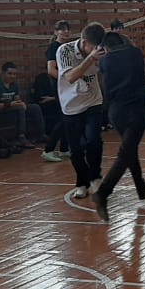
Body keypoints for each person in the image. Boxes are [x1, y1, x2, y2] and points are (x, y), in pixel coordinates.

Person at [91, 30, 145, 221]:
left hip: (116, 112)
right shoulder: (135, 53)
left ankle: (140, 187)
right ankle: (103, 193)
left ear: (105, 47)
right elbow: (133, 50)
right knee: (126, 152)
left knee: (129, 148)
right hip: (137, 110)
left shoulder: (105, 61)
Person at [56, 23, 107, 198]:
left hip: (93, 101)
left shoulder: (100, 52)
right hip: (71, 105)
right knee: (76, 149)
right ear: (84, 43)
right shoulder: (64, 51)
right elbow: (71, 77)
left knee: (94, 140)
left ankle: (95, 177)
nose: (97, 50)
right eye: (93, 47)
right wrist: (91, 58)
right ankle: (81, 181)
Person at [0, 62, 43, 150]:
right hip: (0, 112)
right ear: (3, 73)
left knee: (35, 107)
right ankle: (21, 137)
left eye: (14, 74)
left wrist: (21, 103)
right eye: (10, 74)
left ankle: (40, 134)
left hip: (12, 109)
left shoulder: (14, 85)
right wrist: (10, 104)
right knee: (19, 109)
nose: (12, 76)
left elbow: (17, 99)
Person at [30, 67, 67, 163]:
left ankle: (64, 148)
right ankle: (49, 150)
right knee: (63, 121)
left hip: (61, 101)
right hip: (54, 104)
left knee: (66, 122)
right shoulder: (45, 78)